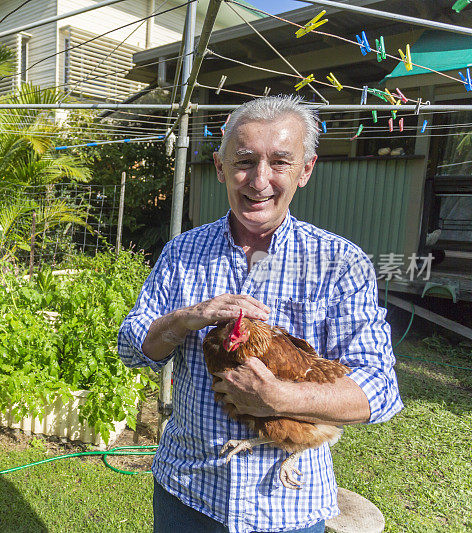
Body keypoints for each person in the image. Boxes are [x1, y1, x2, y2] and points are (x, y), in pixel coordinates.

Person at [117, 95, 403, 533]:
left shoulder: (341, 262)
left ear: (305, 170)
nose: (259, 180)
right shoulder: (181, 252)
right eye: (244, 160)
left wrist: (280, 399)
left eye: (280, 163)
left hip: (287, 506)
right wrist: (183, 319)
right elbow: (132, 346)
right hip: (189, 492)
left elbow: (380, 388)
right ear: (219, 167)